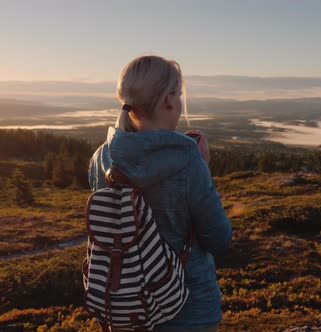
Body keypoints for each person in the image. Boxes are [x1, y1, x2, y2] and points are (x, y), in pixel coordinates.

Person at [88, 55, 232, 332]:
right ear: (169, 98)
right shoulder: (188, 159)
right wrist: (202, 167)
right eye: (177, 95)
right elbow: (219, 239)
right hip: (188, 311)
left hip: (125, 310)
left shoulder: (101, 158)